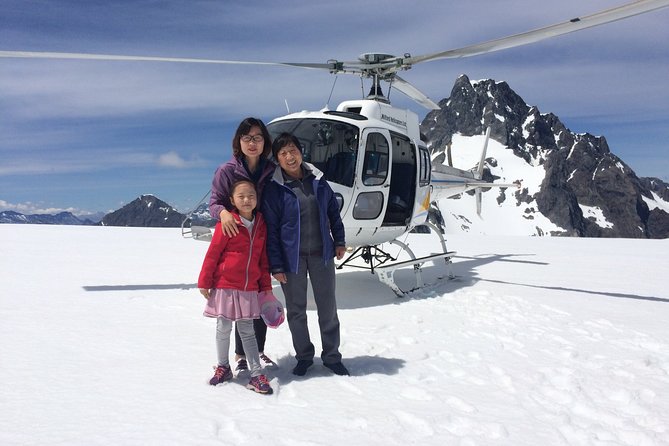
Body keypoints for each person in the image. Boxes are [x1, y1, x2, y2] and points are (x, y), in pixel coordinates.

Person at [262, 132, 349, 377]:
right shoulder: (275, 189)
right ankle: (304, 357)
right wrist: (276, 266)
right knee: (296, 310)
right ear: (277, 159)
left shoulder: (319, 181)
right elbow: (272, 230)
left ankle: (332, 357)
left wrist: (339, 241)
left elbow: (333, 213)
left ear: (301, 152)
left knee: (327, 308)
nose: (290, 157)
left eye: (293, 150)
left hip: (322, 254)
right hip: (292, 260)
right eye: (283, 153)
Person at [209, 117, 276, 372]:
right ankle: (239, 356)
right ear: (238, 141)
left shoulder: (270, 170)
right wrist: (223, 214)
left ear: (264, 142)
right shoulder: (227, 170)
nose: (252, 142)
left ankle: (256, 351)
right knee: (236, 297)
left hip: (261, 237)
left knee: (258, 293)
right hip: (235, 243)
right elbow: (215, 201)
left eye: (257, 137)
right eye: (247, 137)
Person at [198, 180, 275, 394]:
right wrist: (205, 281)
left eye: (251, 195)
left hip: (249, 287)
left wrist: (266, 287)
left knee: (247, 331)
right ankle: (223, 367)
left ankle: (256, 374)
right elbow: (213, 254)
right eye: (241, 196)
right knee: (223, 328)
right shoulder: (227, 223)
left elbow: (262, 260)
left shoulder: (261, 225)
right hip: (224, 284)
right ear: (232, 200)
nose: (246, 200)